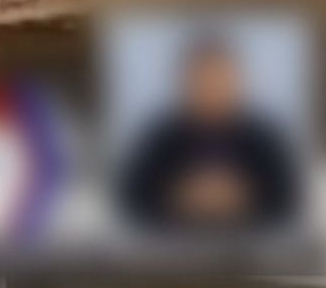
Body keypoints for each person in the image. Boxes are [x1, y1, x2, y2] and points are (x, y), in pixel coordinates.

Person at [117, 35, 301, 234]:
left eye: (220, 79)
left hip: (250, 251)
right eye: (203, 79)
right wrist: (176, 197)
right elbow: (130, 200)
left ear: (238, 82)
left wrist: (245, 198)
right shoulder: (161, 136)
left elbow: (288, 201)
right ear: (185, 84)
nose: (212, 88)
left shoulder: (263, 136)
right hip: (175, 249)